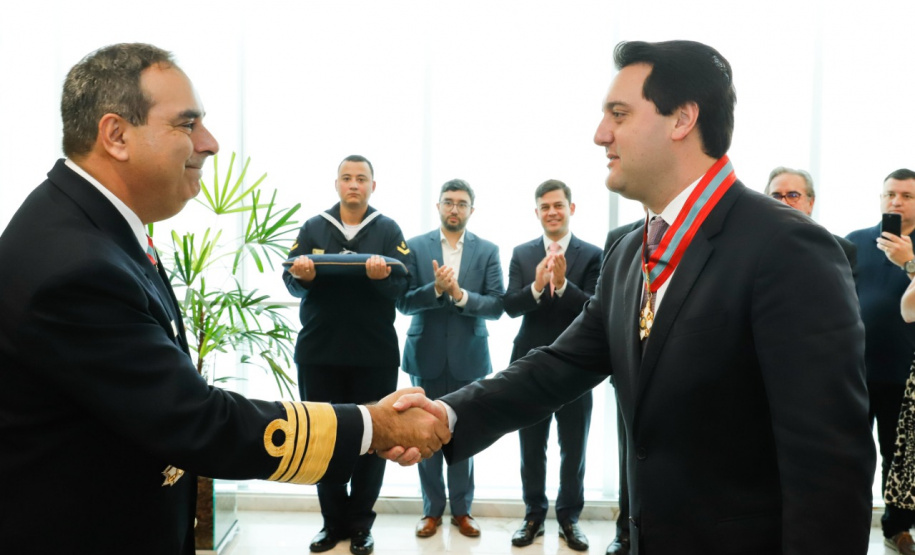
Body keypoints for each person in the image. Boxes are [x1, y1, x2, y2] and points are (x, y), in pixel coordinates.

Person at [392, 39, 876, 553]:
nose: (600, 134)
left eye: (618, 114)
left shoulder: (789, 248)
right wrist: (447, 415)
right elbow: (558, 365)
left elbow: (829, 467)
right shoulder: (627, 252)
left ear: (682, 119)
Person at [0, 43, 447, 555]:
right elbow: (196, 422)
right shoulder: (75, 265)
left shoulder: (91, 227)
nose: (210, 144)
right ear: (116, 135)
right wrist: (376, 423)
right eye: (187, 124)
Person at [283, 154, 411, 555]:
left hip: (374, 355)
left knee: (374, 439)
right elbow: (291, 281)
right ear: (336, 184)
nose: (354, 184)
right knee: (324, 438)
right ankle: (332, 523)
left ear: (373, 185)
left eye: (361, 178)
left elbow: (403, 287)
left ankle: (361, 525)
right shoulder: (314, 227)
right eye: (346, 178)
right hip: (320, 353)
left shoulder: (387, 230)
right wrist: (301, 277)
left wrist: (382, 279)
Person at [396, 179, 504, 539]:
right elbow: (404, 302)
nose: (454, 208)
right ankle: (431, 511)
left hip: (468, 358)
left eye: (461, 203)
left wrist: (458, 294)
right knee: (422, 435)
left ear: (472, 209)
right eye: (448, 202)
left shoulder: (487, 250)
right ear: (438, 206)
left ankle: (462, 510)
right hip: (425, 355)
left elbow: (496, 306)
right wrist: (436, 289)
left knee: (462, 437)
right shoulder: (413, 247)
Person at [503, 179, 601, 551]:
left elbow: (595, 308)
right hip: (529, 365)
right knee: (531, 445)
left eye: (558, 205)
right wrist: (536, 286)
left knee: (573, 447)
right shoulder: (522, 253)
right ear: (537, 213)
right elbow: (509, 305)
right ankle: (533, 516)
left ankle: (569, 519)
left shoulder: (591, 254)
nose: (552, 212)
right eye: (545, 207)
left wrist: (561, 285)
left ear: (571, 209)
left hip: (577, 366)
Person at [846, 168, 915, 553]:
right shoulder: (855, 242)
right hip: (855, 371)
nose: (896, 202)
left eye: (906, 196)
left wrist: (909, 260)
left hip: (907, 375)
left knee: (899, 458)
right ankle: (847, 525)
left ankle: (897, 529)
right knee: (851, 454)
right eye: (890, 194)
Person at [602, 218, 642, 555]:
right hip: (628, 373)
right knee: (627, 457)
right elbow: (604, 309)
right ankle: (626, 530)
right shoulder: (621, 239)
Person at [765, 166, 857, 273]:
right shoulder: (752, 248)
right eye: (776, 196)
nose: (783, 203)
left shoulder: (840, 250)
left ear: (811, 202)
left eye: (793, 195)